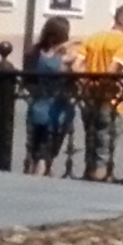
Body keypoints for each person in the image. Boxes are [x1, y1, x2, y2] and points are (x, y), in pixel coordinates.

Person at [73, 2, 123, 177]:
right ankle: (100, 187)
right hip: (110, 100)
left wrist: (87, 83)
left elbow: (75, 66)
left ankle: (87, 180)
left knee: (91, 144)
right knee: (104, 150)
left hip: (88, 99)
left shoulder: (93, 38)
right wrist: (101, 87)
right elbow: (113, 69)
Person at [25, 16, 76, 174]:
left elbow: (27, 80)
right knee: (47, 150)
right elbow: (72, 78)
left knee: (36, 147)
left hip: (37, 105)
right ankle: (41, 176)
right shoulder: (64, 58)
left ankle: (35, 173)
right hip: (57, 108)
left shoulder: (34, 53)